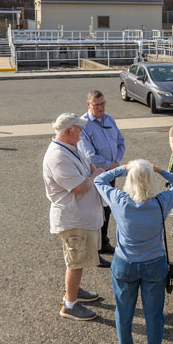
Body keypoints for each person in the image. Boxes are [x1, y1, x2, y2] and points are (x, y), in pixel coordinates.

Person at [95, 160, 173, 344]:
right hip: (154, 263)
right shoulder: (161, 202)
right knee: (154, 314)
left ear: (130, 180)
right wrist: (159, 169)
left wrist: (122, 169)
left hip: (124, 263)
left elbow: (99, 179)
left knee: (123, 311)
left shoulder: (120, 200)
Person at [43, 113, 107, 321]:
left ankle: (75, 291)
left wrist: (92, 170)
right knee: (75, 262)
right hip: (72, 218)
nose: (82, 132)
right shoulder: (57, 157)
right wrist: (95, 175)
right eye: (79, 129)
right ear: (69, 130)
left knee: (79, 259)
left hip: (82, 216)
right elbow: (79, 187)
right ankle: (70, 304)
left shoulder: (70, 148)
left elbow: (88, 165)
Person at [79, 90, 126, 259]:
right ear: (88, 105)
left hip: (111, 173)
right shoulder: (83, 125)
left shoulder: (109, 119)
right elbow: (89, 155)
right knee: (95, 209)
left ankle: (103, 242)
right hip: (96, 174)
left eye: (103, 103)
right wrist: (109, 164)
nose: (100, 108)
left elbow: (121, 141)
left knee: (107, 208)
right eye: (96, 105)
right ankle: (93, 247)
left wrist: (116, 160)